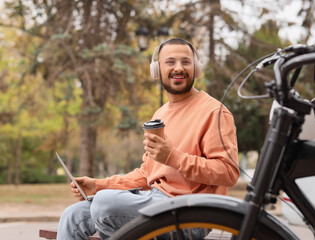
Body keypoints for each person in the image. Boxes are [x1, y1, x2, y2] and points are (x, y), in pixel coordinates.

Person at [56, 38, 240, 240]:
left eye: (186, 62)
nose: (179, 68)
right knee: (72, 215)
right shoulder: (160, 114)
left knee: (105, 204)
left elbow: (228, 173)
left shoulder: (215, 112)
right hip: (155, 200)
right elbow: (147, 174)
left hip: (192, 214)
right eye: (170, 62)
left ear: (196, 68)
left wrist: (173, 157)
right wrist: (98, 185)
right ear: (157, 70)